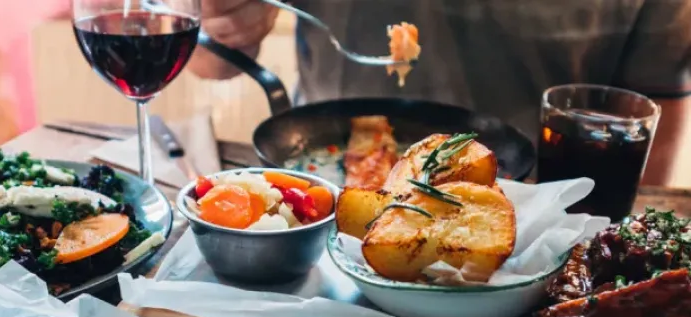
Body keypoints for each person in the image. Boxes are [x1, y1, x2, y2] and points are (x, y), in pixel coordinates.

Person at [188, 0, 691, 185]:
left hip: (538, 222)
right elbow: (206, 57)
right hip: (321, 199)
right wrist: (222, 18)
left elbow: (652, 115)